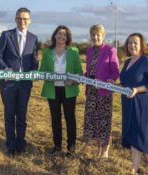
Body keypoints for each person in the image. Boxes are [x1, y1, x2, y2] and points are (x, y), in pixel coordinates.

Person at [0, 7, 39, 156]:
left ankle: (21, 145)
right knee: (9, 115)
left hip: (25, 84)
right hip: (8, 83)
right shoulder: (6, 35)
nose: (22, 21)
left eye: (25, 18)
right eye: (20, 18)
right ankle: (10, 146)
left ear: (30, 21)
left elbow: (34, 60)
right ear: (15, 19)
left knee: (22, 116)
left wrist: (34, 69)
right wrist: (5, 68)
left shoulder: (33, 38)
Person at [120, 33, 148, 175]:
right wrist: (116, 85)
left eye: (135, 43)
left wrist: (137, 89)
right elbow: (126, 82)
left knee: (145, 135)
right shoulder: (127, 62)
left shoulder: (147, 61)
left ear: (142, 45)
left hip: (143, 104)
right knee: (132, 134)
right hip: (128, 103)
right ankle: (135, 167)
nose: (132, 45)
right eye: (130, 42)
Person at [39, 25, 83, 156]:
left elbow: (79, 73)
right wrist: (49, 77)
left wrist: (73, 81)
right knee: (55, 119)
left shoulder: (74, 51)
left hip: (69, 90)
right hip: (52, 90)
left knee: (70, 118)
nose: (62, 36)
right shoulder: (47, 52)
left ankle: (71, 148)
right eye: (59, 34)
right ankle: (57, 146)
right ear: (54, 35)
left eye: (65, 35)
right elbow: (42, 72)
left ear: (68, 38)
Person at [82, 24, 119, 160]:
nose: (95, 37)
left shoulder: (110, 50)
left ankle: (105, 152)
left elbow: (115, 71)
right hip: (91, 92)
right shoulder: (89, 51)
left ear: (103, 36)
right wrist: (83, 77)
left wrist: (111, 80)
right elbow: (89, 71)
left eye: (98, 35)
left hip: (104, 92)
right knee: (94, 122)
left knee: (104, 122)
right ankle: (99, 150)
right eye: (93, 35)